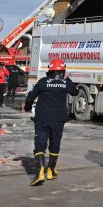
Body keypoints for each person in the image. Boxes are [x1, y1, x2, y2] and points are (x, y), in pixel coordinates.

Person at [24, 58, 78, 186]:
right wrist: (68, 79)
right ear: (63, 70)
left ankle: (39, 173)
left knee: (40, 144)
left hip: (42, 118)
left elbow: (31, 96)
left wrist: (27, 106)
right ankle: (51, 171)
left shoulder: (43, 82)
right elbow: (75, 91)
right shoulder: (65, 83)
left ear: (50, 69)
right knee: (55, 144)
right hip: (58, 119)